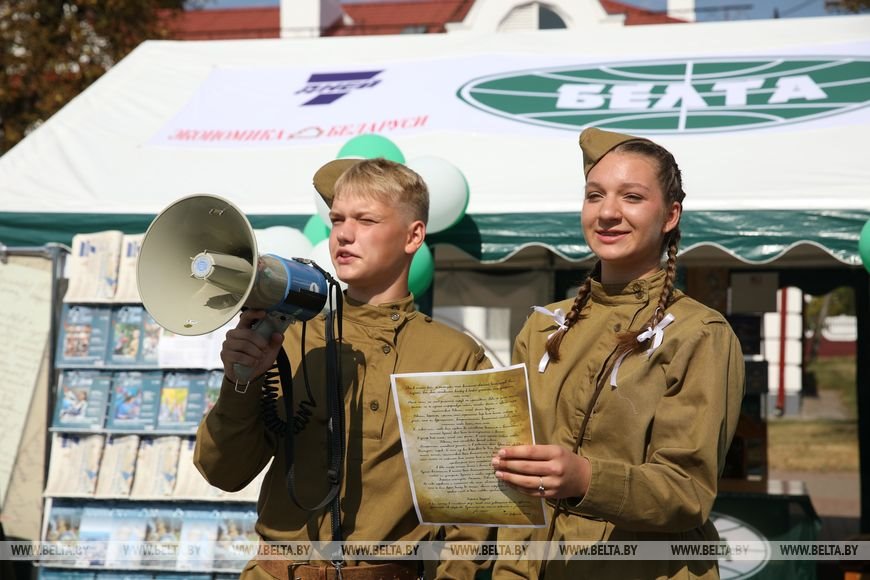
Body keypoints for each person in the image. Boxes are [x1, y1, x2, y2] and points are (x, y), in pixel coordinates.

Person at [194, 157, 493, 580]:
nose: (344, 234)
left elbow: (474, 517)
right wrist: (241, 380)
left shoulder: (455, 357)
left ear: (413, 236)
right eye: (337, 220)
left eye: (366, 220)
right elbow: (223, 472)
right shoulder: (289, 339)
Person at [491, 128, 745, 579]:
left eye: (631, 197)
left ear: (670, 215)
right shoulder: (542, 327)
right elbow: (517, 475)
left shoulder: (699, 334)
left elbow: (687, 492)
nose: (607, 212)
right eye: (594, 195)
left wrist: (586, 479)